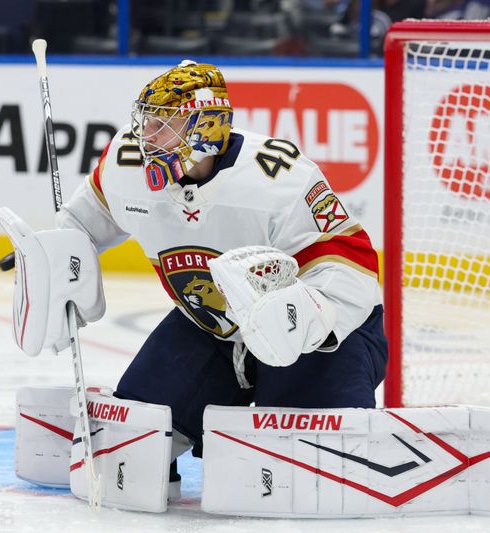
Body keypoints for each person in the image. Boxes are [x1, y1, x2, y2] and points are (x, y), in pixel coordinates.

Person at [52, 60, 387, 465]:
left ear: (204, 127)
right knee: (131, 452)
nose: (146, 137)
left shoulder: (279, 177)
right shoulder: (125, 165)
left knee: (313, 463)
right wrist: (56, 267)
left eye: (163, 124)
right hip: (211, 328)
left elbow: (354, 260)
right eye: (146, 123)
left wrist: (303, 319)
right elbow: (82, 224)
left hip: (317, 341)